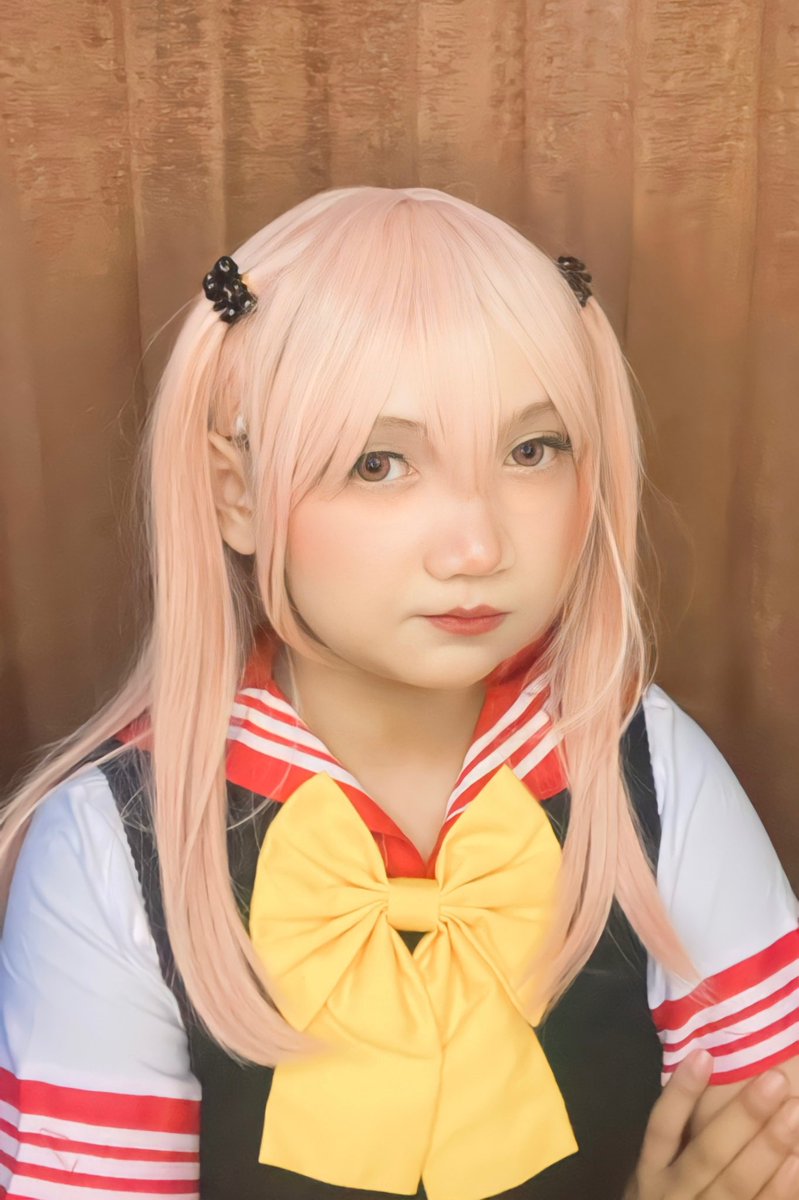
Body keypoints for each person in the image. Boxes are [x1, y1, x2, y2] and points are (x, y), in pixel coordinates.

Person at [1, 186, 798, 1200]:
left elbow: (773, 1144)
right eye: (379, 463)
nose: (476, 547)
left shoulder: (651, 766)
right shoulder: (106, 852)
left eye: (531, 450)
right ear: (234, 493)